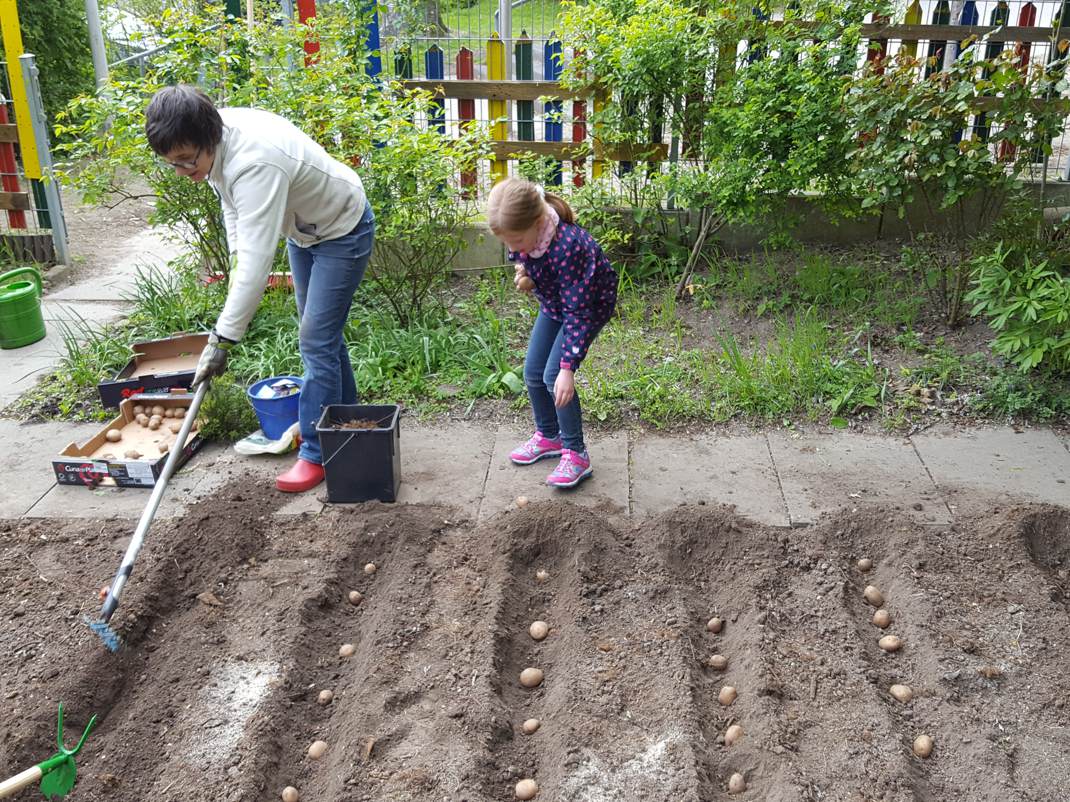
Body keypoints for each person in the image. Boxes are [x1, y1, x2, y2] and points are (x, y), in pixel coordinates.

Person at [144, 85, 374, 493]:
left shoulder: (254, 162)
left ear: (206, 137)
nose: (181, 172)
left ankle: (317, 453)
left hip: (341, 227)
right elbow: (235, 217)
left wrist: (223, 339)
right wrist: (235, 270)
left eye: (185, 161)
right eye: (172, 164)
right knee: (323, 335)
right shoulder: (213, 140)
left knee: (316, 339)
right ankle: (346, 424)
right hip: (305, 230)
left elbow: (256, 265)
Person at [487, 177, 617, 488]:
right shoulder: (527, 236)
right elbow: (531, 263)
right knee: (532, 372)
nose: (512, 249)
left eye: (516, 241)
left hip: (586, 309)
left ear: (538, 221)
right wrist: (527, 275)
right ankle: (549, 436)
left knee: (553, 378)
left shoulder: (567, 247)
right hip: (557, 304)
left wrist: (567, 369)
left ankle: (576, 453)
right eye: (507, 243)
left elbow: (579, 312)